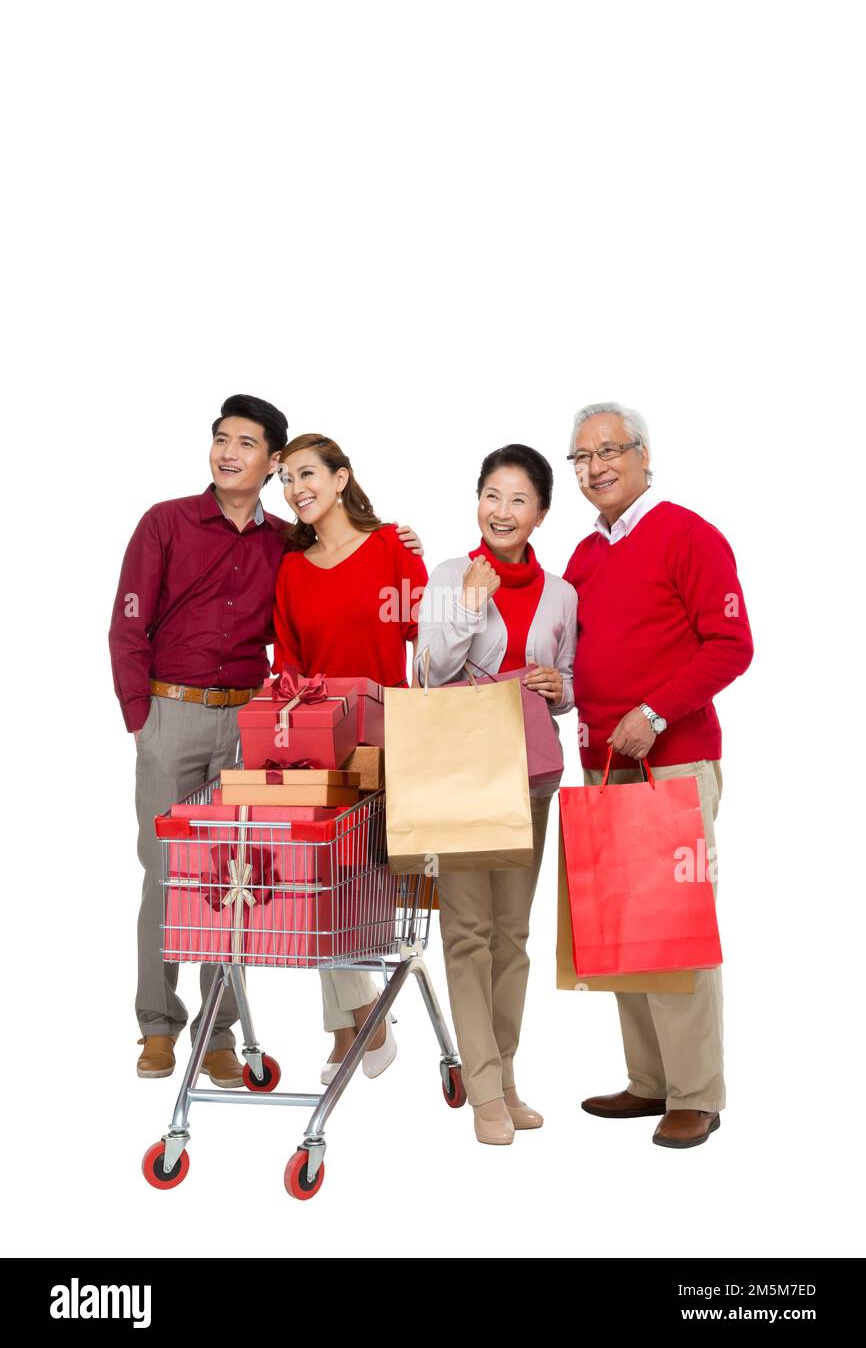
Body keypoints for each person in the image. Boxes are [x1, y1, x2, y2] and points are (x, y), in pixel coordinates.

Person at [109, 398, 423, 1085]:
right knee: (168, 873)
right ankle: (158, 1027)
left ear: (271, 460)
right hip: (172, 712)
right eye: (220, 439)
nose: (228, 452)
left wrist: (409, 549)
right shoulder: (165, 522)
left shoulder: (286, 540)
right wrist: (142, 717)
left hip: (252, 721)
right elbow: (127, 623)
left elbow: (361, 581)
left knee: (236, 881)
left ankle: (218, 1032)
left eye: (246, 443)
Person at [562, 401, 753, 1149]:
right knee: (622, 929)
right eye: (582, 457)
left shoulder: (688, 535)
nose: (597, 466)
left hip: (671, 761)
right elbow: (589, 662)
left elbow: (730, 644)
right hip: (602, 765)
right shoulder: (584, 556)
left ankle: (697, 1092)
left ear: (644, 455)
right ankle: (649, 1082)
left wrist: (656, 712)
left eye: (611, 450)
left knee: (676, 929)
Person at [414, 444, 576, 1146]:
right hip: (461, 773)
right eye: (491, 495)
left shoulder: (564, 592)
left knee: (513, 936)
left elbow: (568, 683)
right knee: (467, 932)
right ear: (476, 501)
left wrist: (559, 687)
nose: (502, 511)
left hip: (531, 773)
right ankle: (482, 1089)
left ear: (540, 512)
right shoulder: (451, 575)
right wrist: (468, 604)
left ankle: (507, 1078)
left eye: (518, 499)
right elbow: (430, 670)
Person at [273, 433, 428, 1083]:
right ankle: (362, 1017)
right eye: (284, 479)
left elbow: (439, 637)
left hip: (389, 745)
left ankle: (353, 1024)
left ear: (342, 479)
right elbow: (287, 668)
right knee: (319, 885)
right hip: (321, 753)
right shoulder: (291, 571)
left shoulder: (392, 547)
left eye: (306, 473)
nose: (294, 488)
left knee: (350, 887)